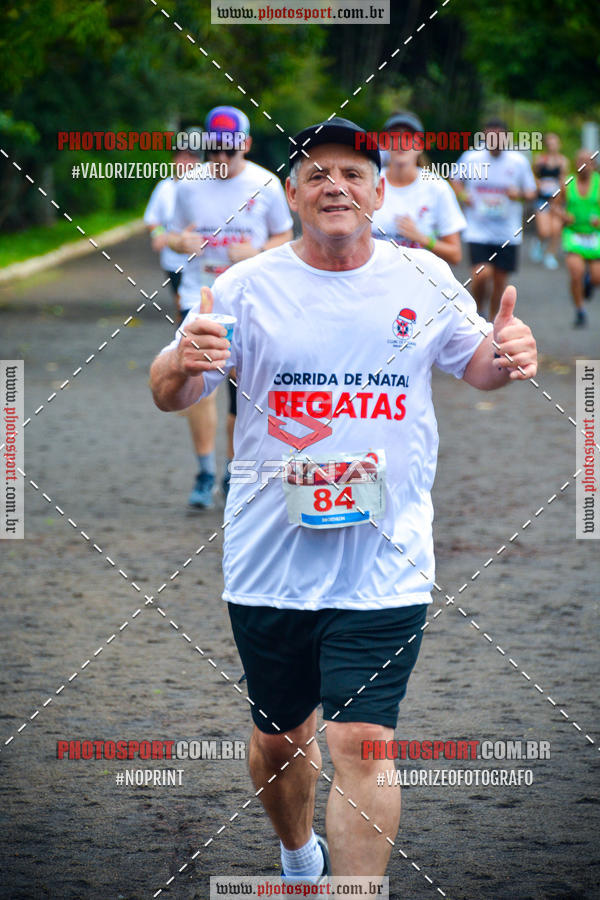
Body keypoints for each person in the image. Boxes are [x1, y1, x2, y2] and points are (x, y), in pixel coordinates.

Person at [149, 117, 537, 883]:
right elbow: (174, 389)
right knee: (280, 739)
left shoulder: (422, 277)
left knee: (363, 741)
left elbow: (481, 368)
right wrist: (176, 360)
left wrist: (508, 352)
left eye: (353, 174)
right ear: (291, 193)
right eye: (318, 173)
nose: (336, 185)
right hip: (270, 564)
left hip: (384, 561)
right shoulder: (245, 286)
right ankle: (298, 859)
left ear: (377, 190)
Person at [166, 106, 293, 508]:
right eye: (213, 150)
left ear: (246, 146)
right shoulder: (188, 186)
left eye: (229, 151)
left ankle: (233, 471)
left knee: (243, 390)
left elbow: (286, 238)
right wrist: (179, 243)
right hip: (199, 297)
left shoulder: (267, 185)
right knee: (200, 383)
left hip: (250, 300)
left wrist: (255, 251)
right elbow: (170, 234)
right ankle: (205, 471)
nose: (220, 159)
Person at [452, 118, 537, 319]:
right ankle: (478, 311)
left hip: (507, 231)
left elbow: (532, 192)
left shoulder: (518, 162)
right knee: (481, 275)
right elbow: (455, 179)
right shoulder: (471, 158)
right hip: (478, 229)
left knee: (500, 282)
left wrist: (520, 194)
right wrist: (464, 196)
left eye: (499, 136)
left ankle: (492, 322)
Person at [371, 111, 466, 264]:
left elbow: (455, 255)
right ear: (385, 144)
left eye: (408, 137)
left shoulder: (437, 187)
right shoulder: (368, 182)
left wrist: (421, 238)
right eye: (394, 137)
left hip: (420, 282)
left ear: (420, 145)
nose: (401, 143)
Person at [144, 144, 200, 312]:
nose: (186, 162)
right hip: (174, 260)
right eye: (182, 157)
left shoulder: (205, 187)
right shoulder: (165, 188)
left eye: (191, 158)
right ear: (174, 160)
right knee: (181, 302)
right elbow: (152, 219)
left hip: (200, 260)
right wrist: (159, 234)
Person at [560, 149, 600, 327]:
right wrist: (564, 216)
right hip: (573, 234)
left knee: (596, 278)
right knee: (576, 273)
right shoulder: (567, 182)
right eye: (580, 161)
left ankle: (588, 283)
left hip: (594, 235)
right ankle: (580, 311)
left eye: (588, 161)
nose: (584, 165)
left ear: (593, 165)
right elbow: (553, 206)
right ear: (576, 164)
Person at [530, 132, 568, 269]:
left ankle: (550, 255)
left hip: (556, 201)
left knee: (556, 229)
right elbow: (532, 176)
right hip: (542, 200)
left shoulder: (563, 161)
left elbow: (564, 180)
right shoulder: (540, 159)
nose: (552, 146)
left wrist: (561, 193)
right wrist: (538, 183)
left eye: (554, 143)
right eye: (550, 143)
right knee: (544, 231)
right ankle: (539, 242)